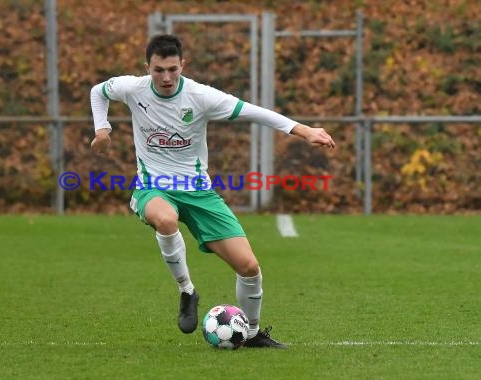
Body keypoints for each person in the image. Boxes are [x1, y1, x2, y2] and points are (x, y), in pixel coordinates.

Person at [90, 34, 335, 348]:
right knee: (164, 220)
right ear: (147, 67)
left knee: (249, 267)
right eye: (158, 70)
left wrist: (303, 130)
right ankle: (187, 290)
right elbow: (98, 91)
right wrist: (102, 129)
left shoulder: (200, 96)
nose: (166, 77)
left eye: (172, 69)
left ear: (183, 65)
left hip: (199, 192)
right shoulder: (132, 88)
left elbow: (253, 112)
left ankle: (252, 333)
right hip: (153, 187)